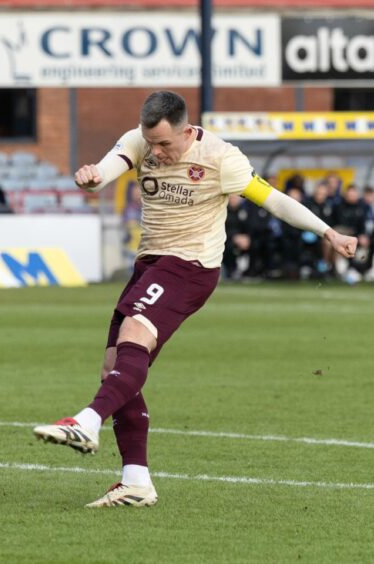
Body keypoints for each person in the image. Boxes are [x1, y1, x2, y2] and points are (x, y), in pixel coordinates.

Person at [32, 91, 358, 509]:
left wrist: (329, 232)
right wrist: (93, 177)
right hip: (150, 265)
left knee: (135, 331)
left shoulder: (221, 158)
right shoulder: (139, 140)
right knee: (115, 367)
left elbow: (273, 200)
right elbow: (109, 169)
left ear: (187, 131)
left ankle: (87, 421)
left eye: (165, 144)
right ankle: (136, 482)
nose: (157, 151)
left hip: (191, 265)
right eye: (152, 143)